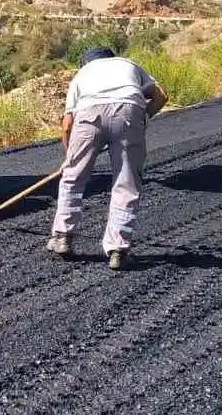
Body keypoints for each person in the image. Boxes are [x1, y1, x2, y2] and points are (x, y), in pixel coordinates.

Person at [47, 46, 168, 271]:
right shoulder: (128, 64)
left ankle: (63, 237)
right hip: (129, 110)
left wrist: (70, 157)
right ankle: (118, 250)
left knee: (73, 178)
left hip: (89, 114)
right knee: (126, 183)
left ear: (86, 62)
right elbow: (161, 96)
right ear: (112, 59)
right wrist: (140, 119)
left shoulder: (82, 75)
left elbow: (67, 125)